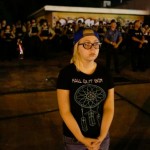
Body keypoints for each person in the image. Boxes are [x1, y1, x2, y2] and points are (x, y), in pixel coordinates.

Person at [57, 28, 114, 150]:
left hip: (101, 139)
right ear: (77, 46)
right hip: (74, 140)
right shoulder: (66, 74)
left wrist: (101, 137)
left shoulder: (105, 72)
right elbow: (65, 111)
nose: (93, 48)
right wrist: (82, 139)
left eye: (96, 44)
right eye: (87, 44)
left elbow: (109, 108)